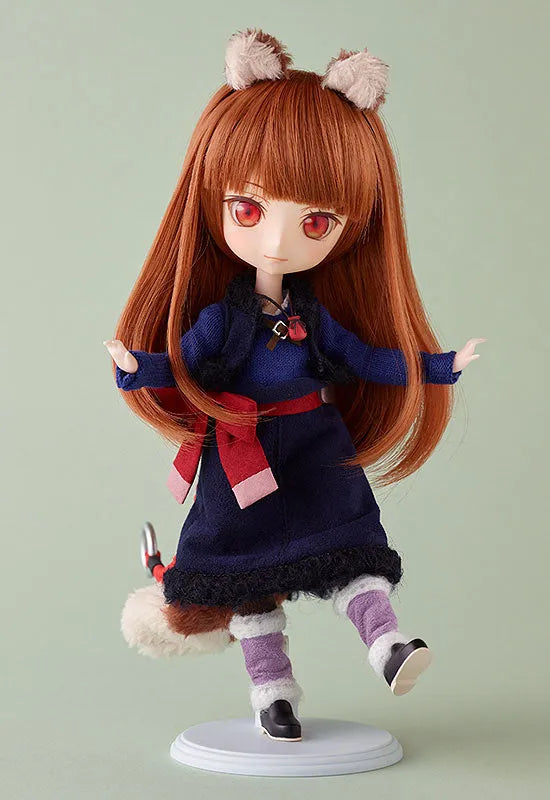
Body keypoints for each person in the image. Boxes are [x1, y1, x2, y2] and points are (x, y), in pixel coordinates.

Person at [105, 28, 485, 742]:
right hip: (240, 456)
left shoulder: (314, 318)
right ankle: (272, 695)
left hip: (314, 445)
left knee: (353, 546)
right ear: (215, 202)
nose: (278, 242)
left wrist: (438, 367)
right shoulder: (222, 319)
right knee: (250, 582)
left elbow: (369, 358)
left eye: (314, 221)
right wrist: (136, 368)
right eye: (250, 210)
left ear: (346, 226)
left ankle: (387, 645)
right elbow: (183, 364)